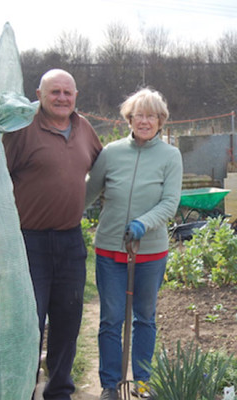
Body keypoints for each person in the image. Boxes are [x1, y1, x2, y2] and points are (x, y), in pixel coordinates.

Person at [2, 68, 103, 399]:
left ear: (76, 96)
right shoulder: (22, 129)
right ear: (39, 95)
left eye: (67, 92)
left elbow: (105, 170)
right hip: (28, 244)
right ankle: (24, 389)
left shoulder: (84, 129)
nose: (62, 98)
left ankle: (59, 390)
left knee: (68, 319)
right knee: (28, 324)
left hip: (70, 241)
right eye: (54, 92)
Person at [85, 87, 183, 400]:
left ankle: (142, 383)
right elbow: (87, 194)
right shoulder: (111, 153)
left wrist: (144, 223)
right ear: (129, 118)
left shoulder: (170, 156)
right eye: (139, 115)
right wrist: (63, 215)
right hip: (110, 249)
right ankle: (110, 385)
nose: (145, 121)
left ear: (160, 121)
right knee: (111, 318)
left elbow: (170, 202)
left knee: (145, 317)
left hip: (150, 251)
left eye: (151, 115)